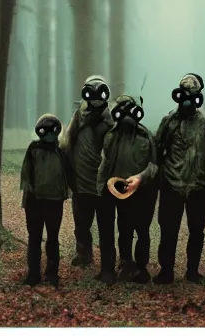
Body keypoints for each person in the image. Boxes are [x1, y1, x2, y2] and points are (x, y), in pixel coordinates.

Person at [153, 73, 205, 284]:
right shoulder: (168, 121)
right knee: (168, 230)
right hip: (172, 185)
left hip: (198, 186)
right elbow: (156, 150)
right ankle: (166, 270)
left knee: (197, 231)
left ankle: (192, 270)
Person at [96, 95, 159, 284]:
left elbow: (154, 165)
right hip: (112, 188)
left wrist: (140, 178)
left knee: (138, 230)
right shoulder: (110, 136)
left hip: (138, 191)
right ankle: (113, 267)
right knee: (111, 230)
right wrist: (101, 188)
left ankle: (140, 268)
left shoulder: (146, 136)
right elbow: (104, 163)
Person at [60, 75, 113, 270]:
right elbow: (66, 143)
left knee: (106, 224)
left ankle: (108, 260)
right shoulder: (78, 117)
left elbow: (115, 148)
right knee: (81, 224)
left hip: (103, 182)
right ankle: (83, 253)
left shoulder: (110, 120)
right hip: (81, 180)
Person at [20, 114, 76, 288]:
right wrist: (28, 193)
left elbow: (69, 174)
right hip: (36, 201)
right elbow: (26, 175)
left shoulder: (61, 152)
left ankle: (51, 273)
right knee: (35, 238)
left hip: (54, 201)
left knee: (52, 238)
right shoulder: (34, 149)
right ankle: (34, 274)